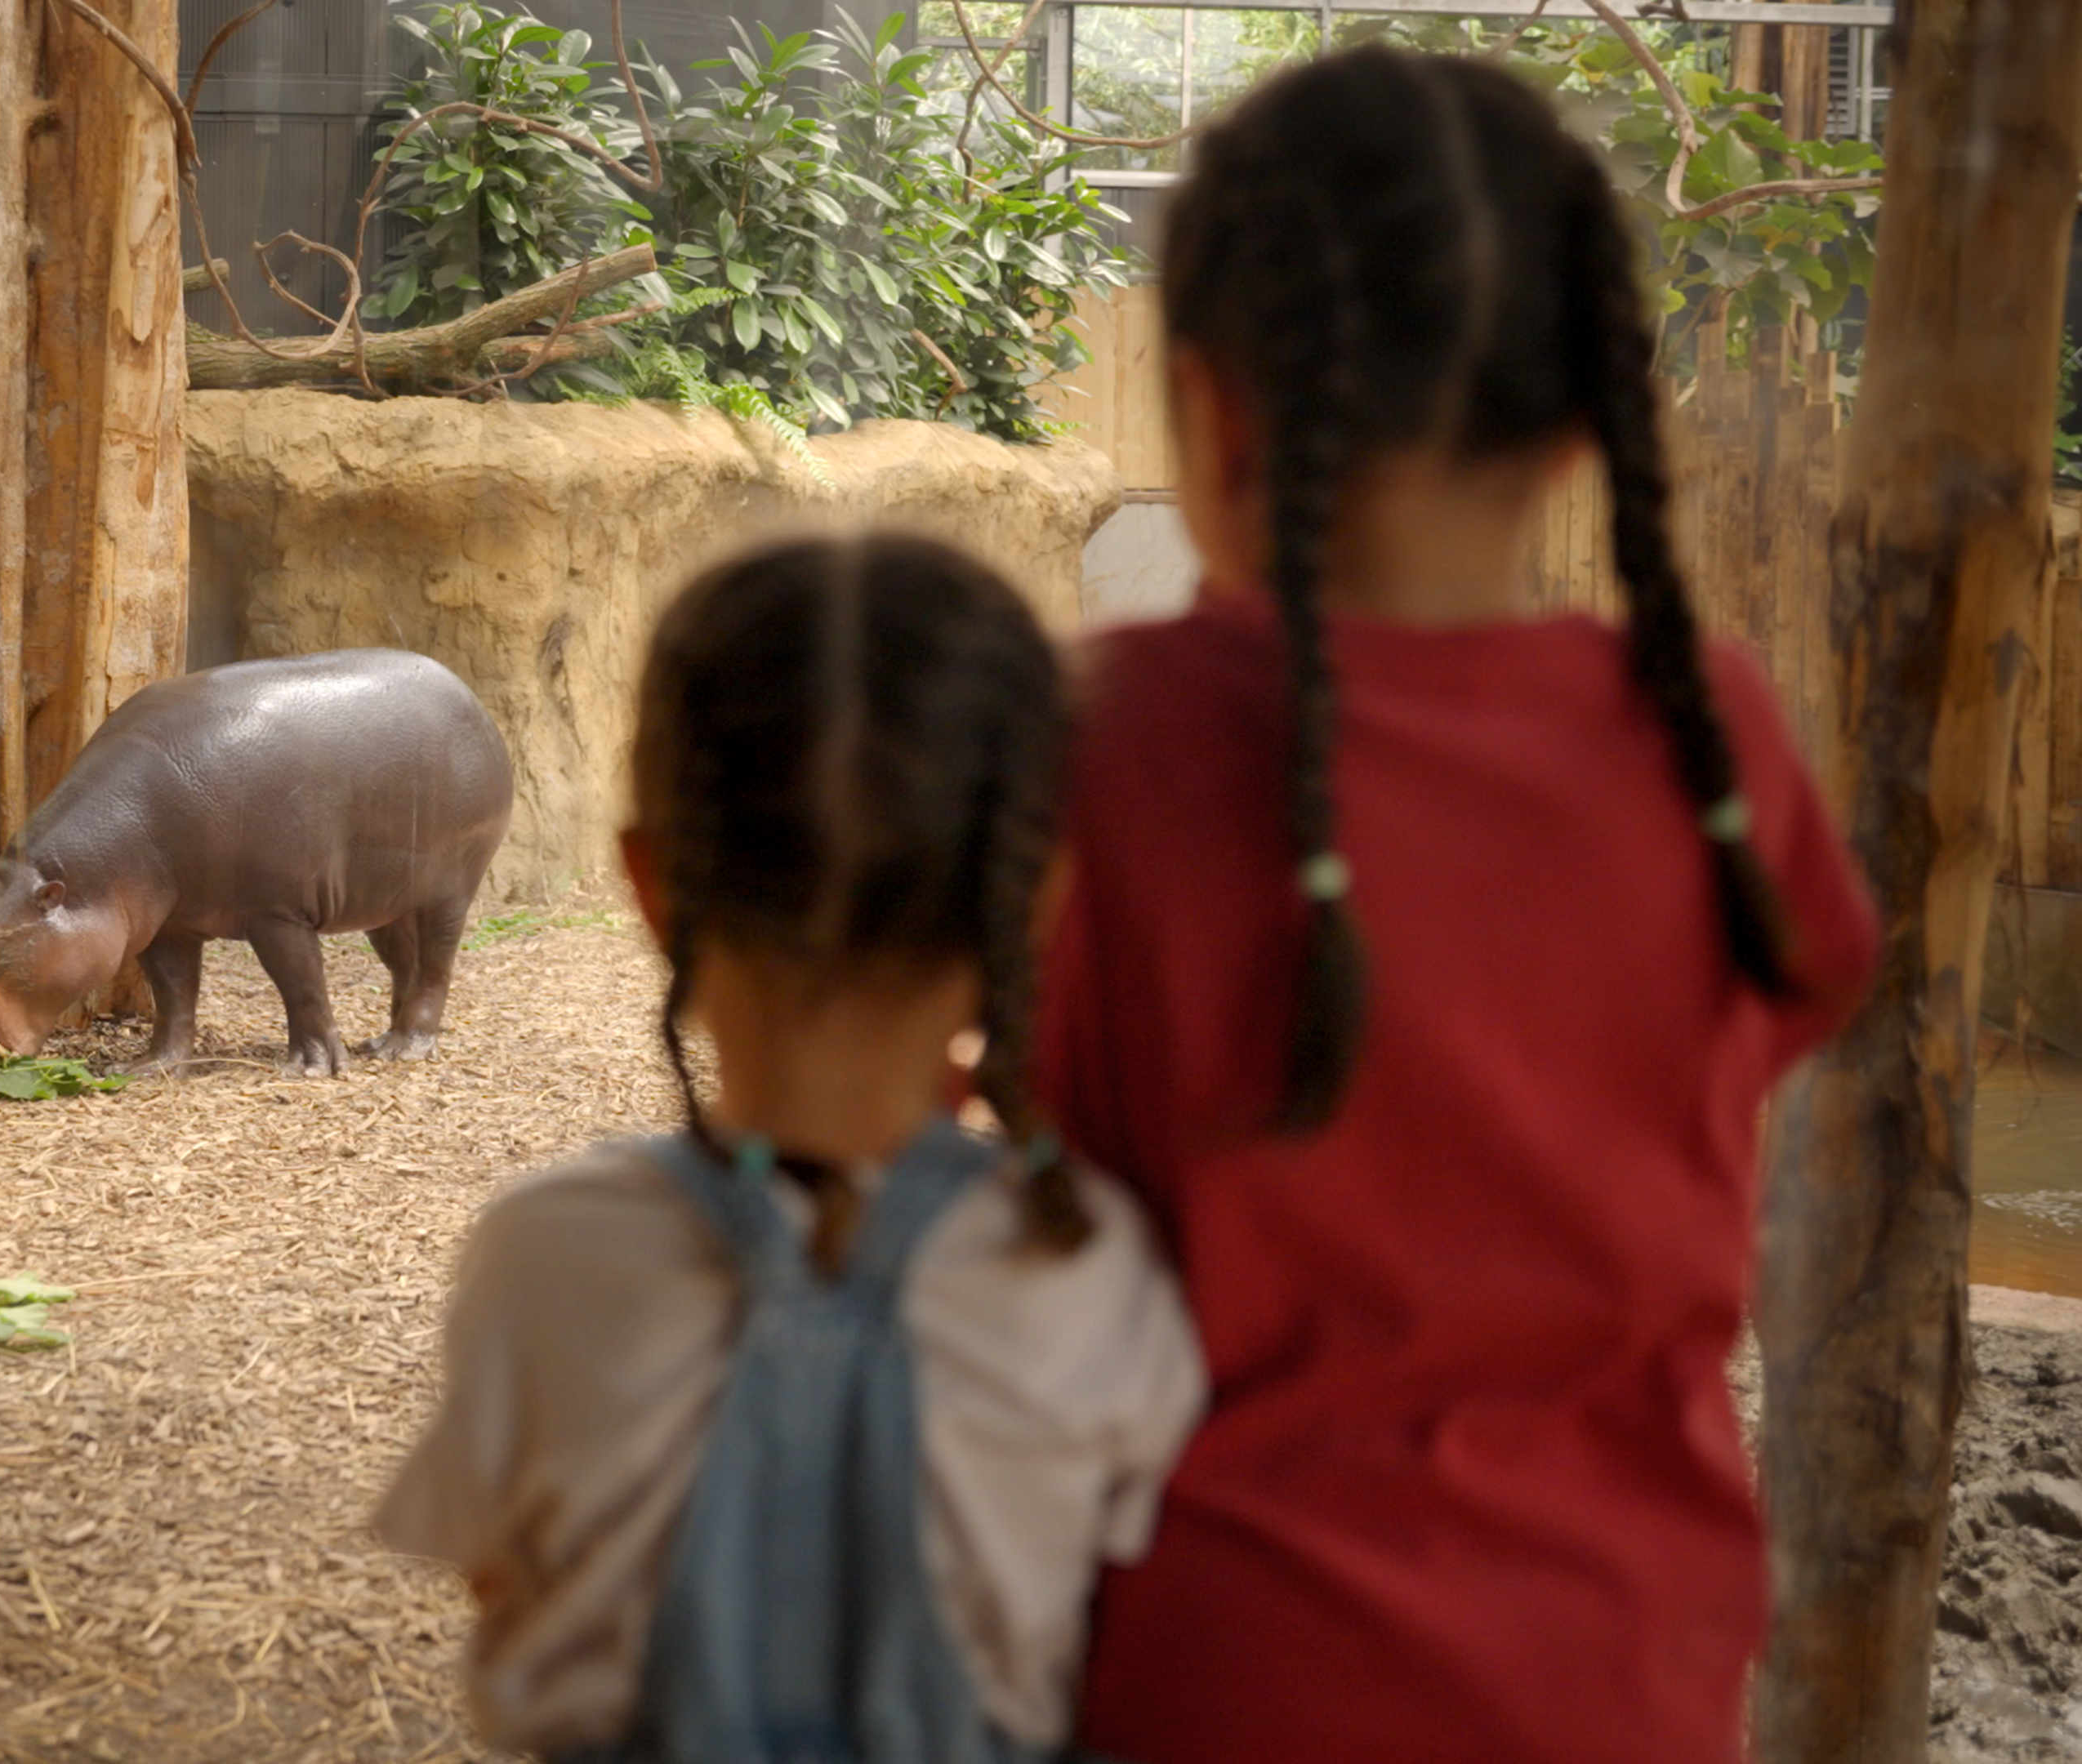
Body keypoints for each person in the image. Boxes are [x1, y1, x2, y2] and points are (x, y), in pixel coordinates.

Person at [1033, 47, 1882, 1764]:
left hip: (1217, 1672)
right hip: (1625, 1675)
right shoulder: (1712, 734)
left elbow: (1039, 1144)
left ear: (1206, 405)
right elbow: (1796, 999)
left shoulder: (1110, 738)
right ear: (1584, 422)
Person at [377, 534, 1204, 1762]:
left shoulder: (544, 1258)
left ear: (654, 890)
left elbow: (504, 1584)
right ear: (1032, 898)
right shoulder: (1087, 1267)